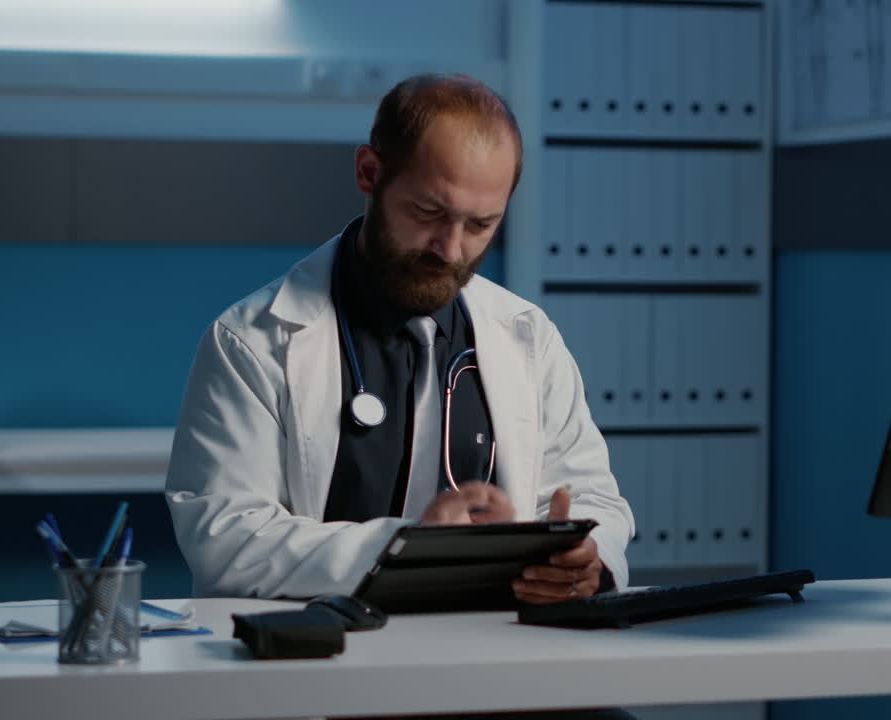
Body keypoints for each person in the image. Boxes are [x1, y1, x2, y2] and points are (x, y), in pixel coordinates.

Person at [164, 73, 634, 609]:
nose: (450, 249)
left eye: (480, 224)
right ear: (369, 172)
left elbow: (591, 497)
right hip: (320, 651)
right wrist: (410, 546)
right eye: (429, 213)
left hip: (490, 644)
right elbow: (227, 540)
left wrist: (587, 558)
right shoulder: (252, 341)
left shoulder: (528, 337)